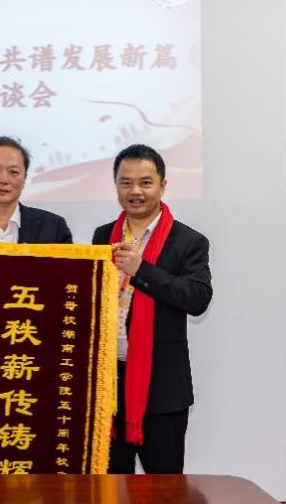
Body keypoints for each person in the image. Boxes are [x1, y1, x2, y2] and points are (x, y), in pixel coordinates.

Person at [92, 144, 212, 474]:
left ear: (162, 185)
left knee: (165, 487)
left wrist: (141, 270)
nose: (135, 191)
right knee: (110, 487)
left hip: (162, 388)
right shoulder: (103, 236)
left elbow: (198, 298)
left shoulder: (188, 241)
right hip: (109, 384)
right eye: (126, 182)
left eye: (145, 182)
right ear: (116, 186)